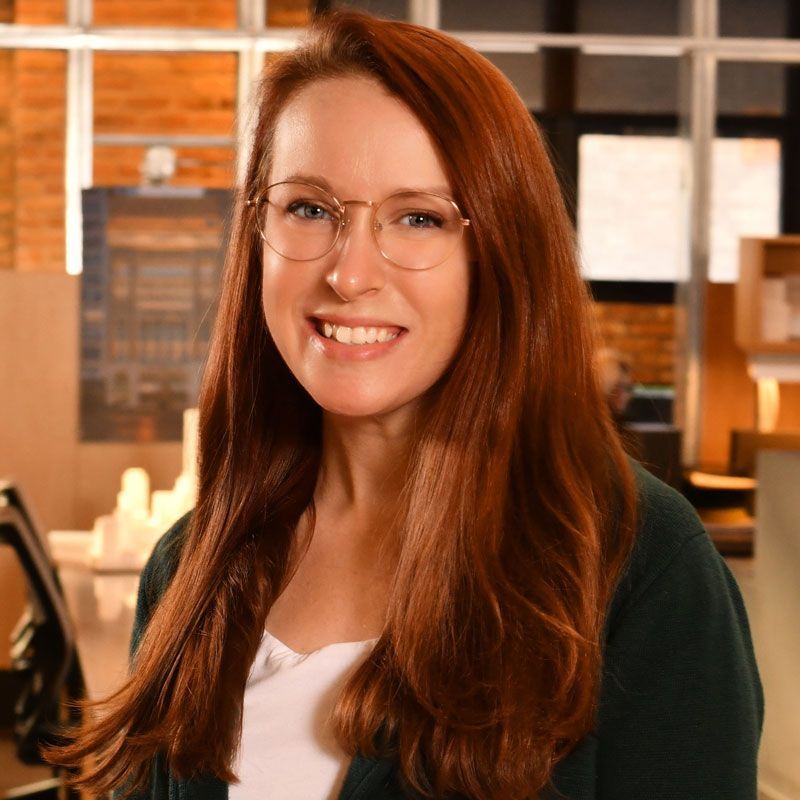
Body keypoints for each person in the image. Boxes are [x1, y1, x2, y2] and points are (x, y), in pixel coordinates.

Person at [48, 11, 762, 800]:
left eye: (418, 218)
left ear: (500, 255)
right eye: (309, 209)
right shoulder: (194, 565)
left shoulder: (637, 565)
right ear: (256, 232)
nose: (350, 274)